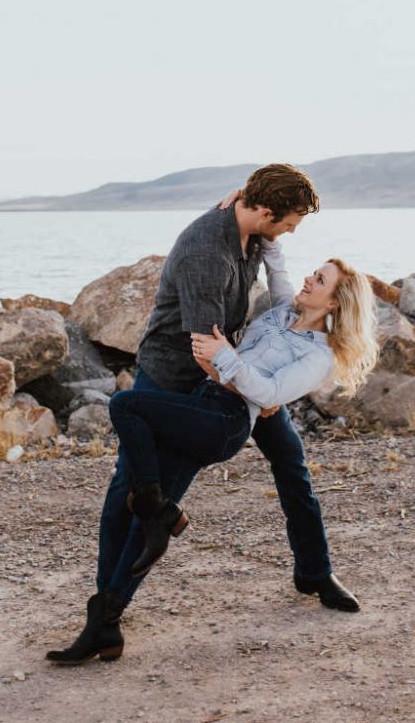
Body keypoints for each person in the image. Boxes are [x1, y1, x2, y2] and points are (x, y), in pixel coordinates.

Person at [46, 164, 367, 666]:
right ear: (264, 212)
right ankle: (107, 610)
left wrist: (256, 391)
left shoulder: (259, 241)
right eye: (289, 221)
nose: (292, 232)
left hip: (233, 389)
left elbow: (275, 255)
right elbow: (204, 348)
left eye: (319, 277)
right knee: (131, 493)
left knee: (292, 466)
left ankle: (314, 571)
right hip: (192, 381)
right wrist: (242, 386)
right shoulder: (211, 256)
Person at [107, 242, 377, 582]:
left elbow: (270, 394)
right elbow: (276, 267)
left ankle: (317, 574)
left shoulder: (318, 354)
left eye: (320, 280)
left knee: (294, 473)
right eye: (314, 272)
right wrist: (254, 206)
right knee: (292, 466)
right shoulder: (284, 310)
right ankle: (146, 534)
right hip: (230, 393)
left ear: (334, 302)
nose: (309, 279)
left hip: (242, 401)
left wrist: (223, 357)